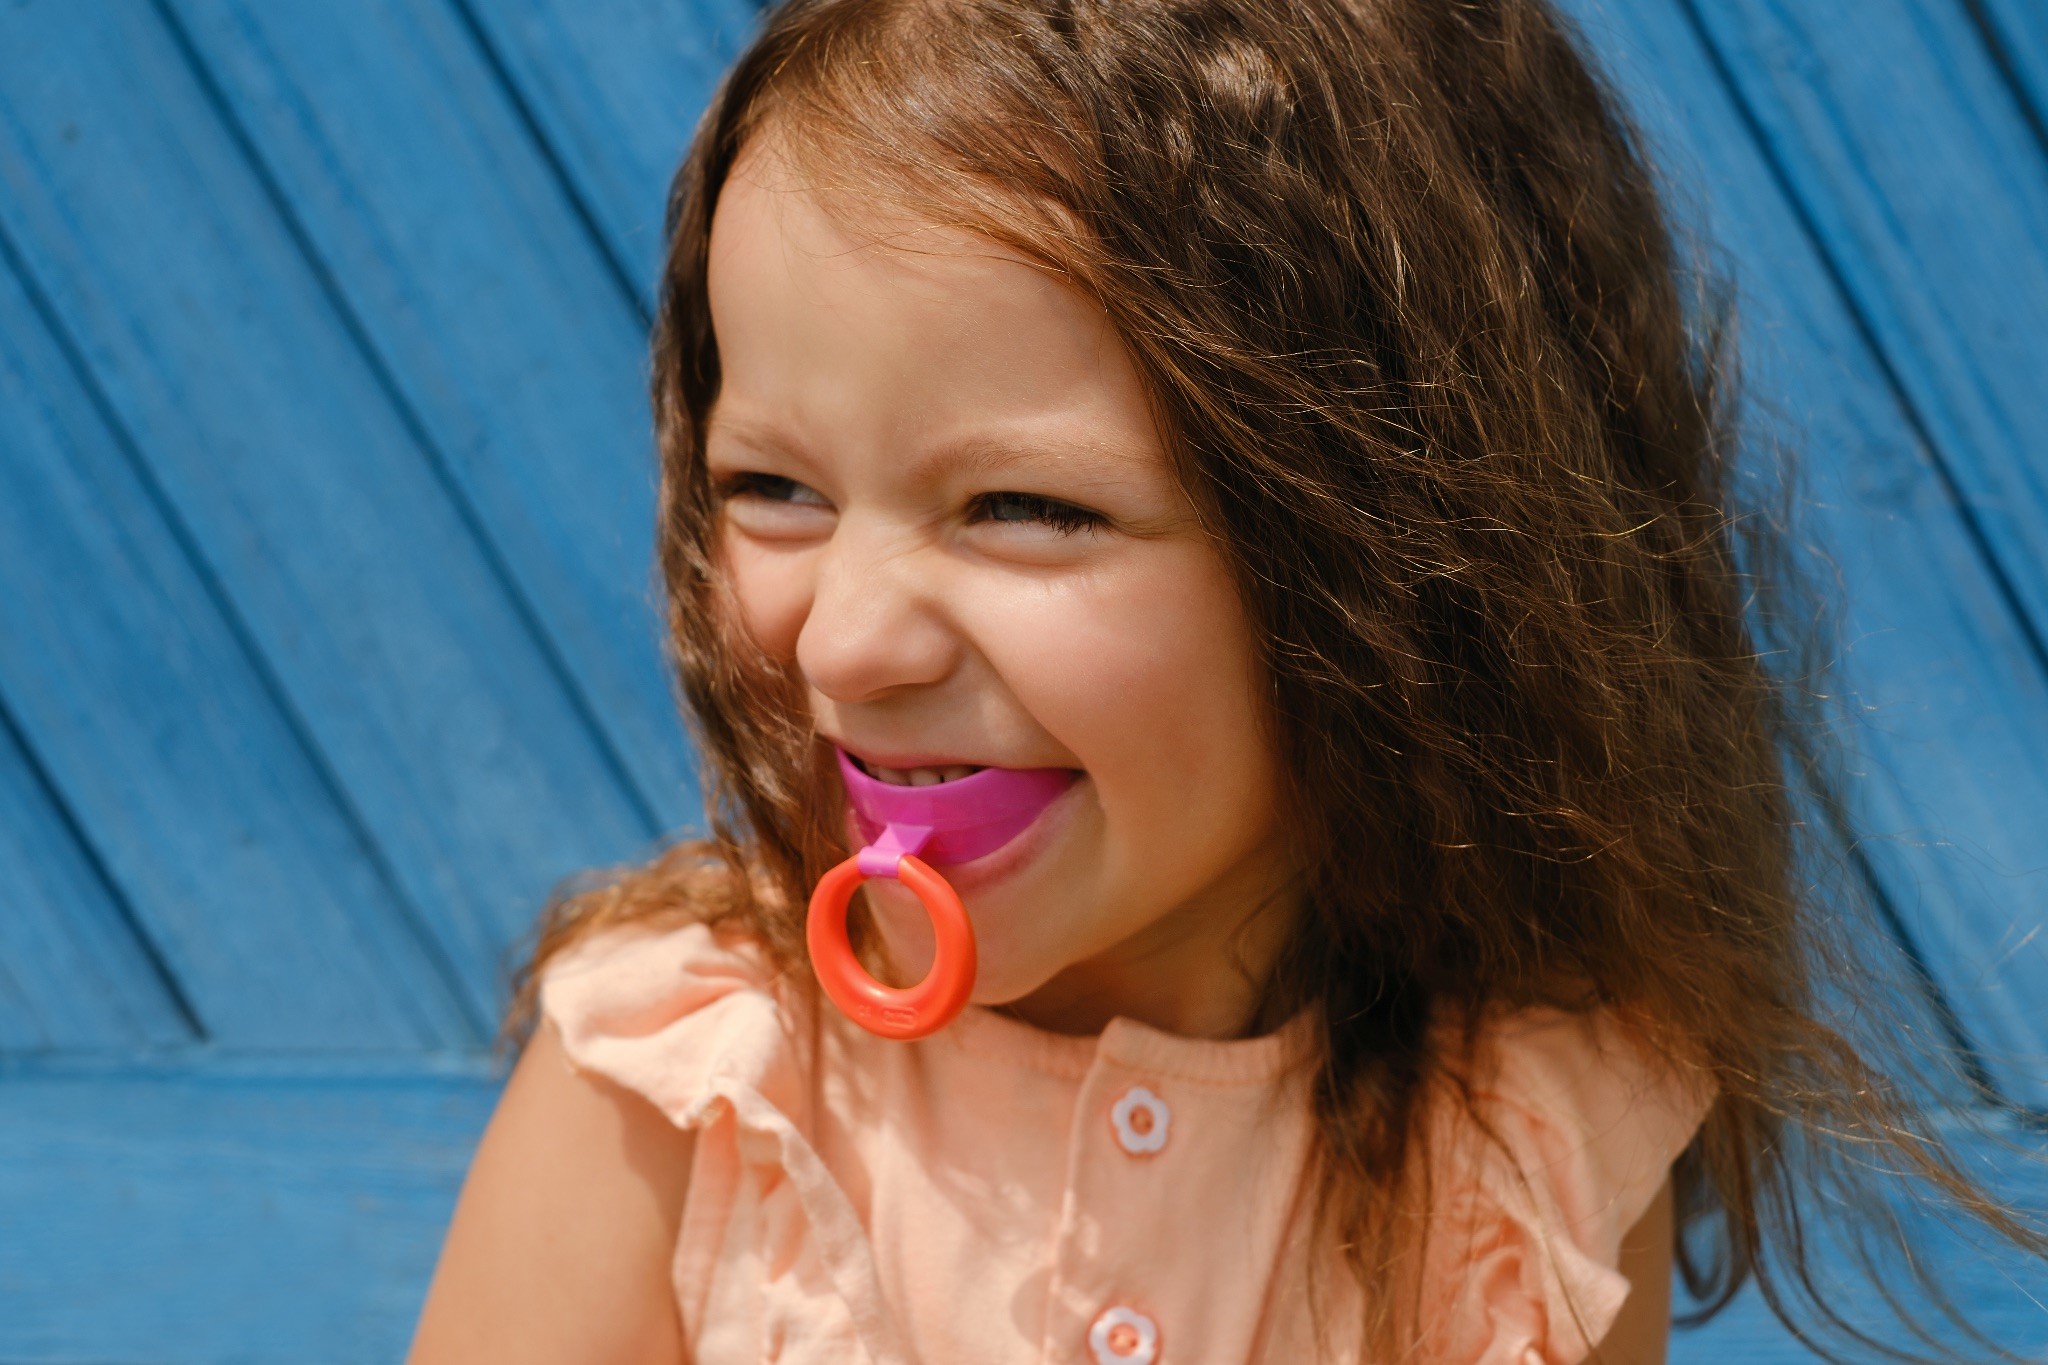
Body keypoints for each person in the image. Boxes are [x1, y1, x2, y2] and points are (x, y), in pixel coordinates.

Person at [406, 2, 2044, 1361]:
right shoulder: (683, 1092)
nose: (845, 643)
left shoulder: (1519, 1158)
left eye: (1027, 509)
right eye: (772, 488)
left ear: (1406, 552)